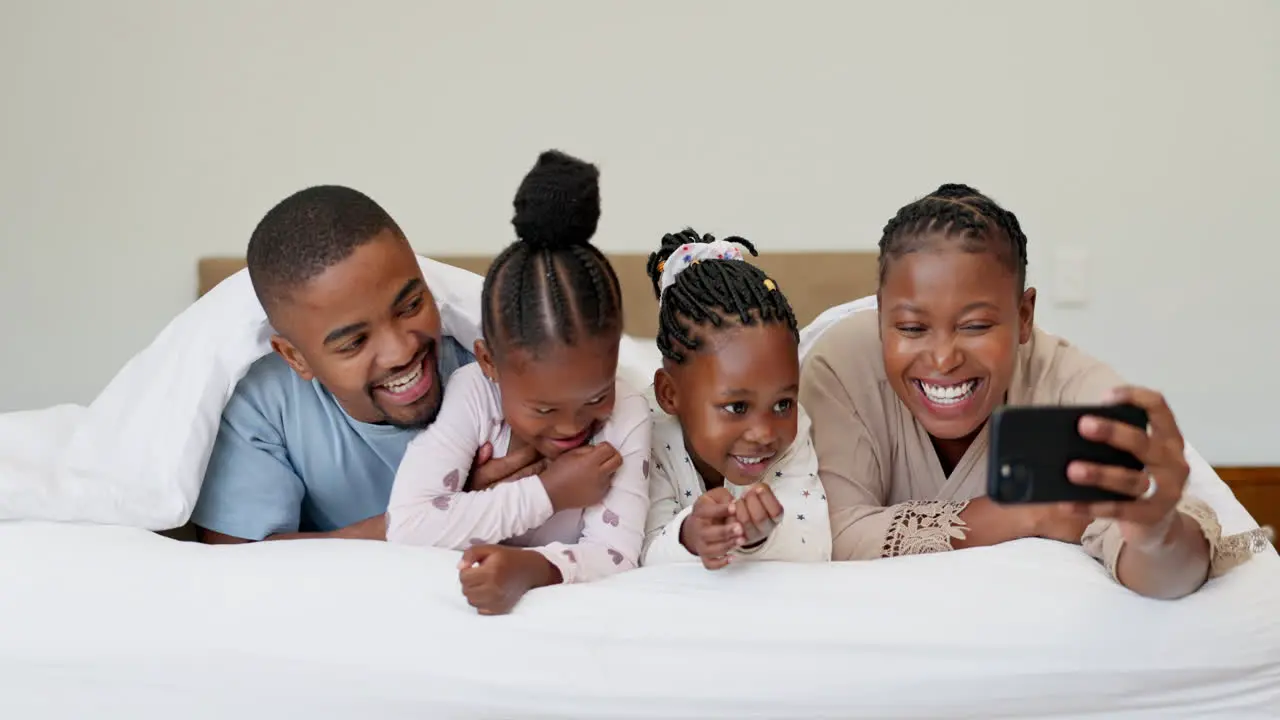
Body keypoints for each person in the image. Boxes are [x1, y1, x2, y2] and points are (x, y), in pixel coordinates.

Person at [800, 183, 1265, 599]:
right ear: (881, 315)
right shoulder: (841, 364)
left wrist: (1156, 531)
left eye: (976, 325)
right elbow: (829, 536)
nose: (943, 359)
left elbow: (1167, 575)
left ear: (1024, 316)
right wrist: (1031, 515)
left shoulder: (1074, 388)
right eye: (911, 327)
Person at [191, 185, 542, 544]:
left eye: (410, 307)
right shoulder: (264, 405)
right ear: (296, 357)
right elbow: (236, 561)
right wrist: (450, 512)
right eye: (354, 342)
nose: (400, 352)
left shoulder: (490, 368)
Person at [385, 150, 651, 615]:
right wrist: (549, 493)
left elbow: (616, 554)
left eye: (596, 396)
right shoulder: (474, 395)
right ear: (489, 361)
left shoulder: (627, 412)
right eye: (544, 409)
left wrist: (530, 569)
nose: (573, 427)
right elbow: (408, 526)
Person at [640, 229, 830, 569]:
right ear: (669, 394)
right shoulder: (644, 433)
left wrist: (758, 537)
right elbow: (642, 552)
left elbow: (815, 546)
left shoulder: (793, 435)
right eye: (737, 407)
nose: (764, 433)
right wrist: (688, 537)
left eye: (782, 404)